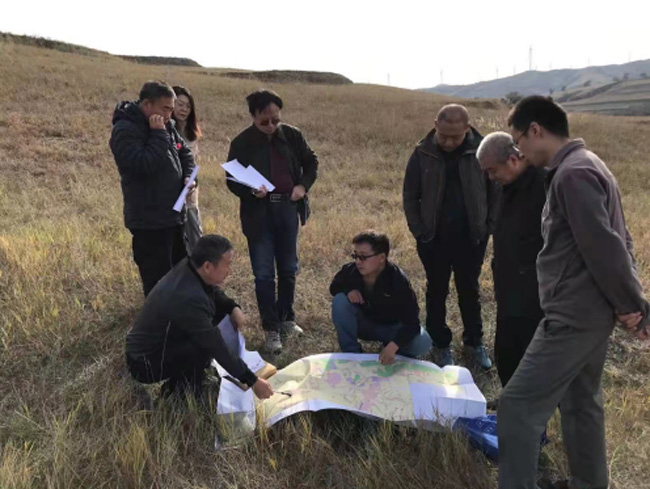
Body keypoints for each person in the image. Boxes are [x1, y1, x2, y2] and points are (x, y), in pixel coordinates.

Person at [498, 96, 650, 489]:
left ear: (536, 130)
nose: (520, 151)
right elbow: (622, 239)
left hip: (573, 315)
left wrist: (632, 305)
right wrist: (629, 302)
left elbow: (605, 247)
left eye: (519, 140)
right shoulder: (589, 163)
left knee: (516, 407)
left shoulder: (572, 175)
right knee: (581, 402)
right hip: (591, 312)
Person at [403, 104, 498, 369]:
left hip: (472, 237)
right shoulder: (422, 152)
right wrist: (419, 230)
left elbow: (496, 191)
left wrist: (488, 227)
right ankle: (440, 344)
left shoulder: (482, 151)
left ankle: (474, 343)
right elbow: (410, 195)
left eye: (455, 137)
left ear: (467, 128)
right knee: (436, 291)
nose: (447, 142)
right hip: (433, 238)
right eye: (443, 135)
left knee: (469, 290)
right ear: (435, 124)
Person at [125, 234, 274, 400]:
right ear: (208, 266)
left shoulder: (191, 268)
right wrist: (252, 381)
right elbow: (214, 344)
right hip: (145, 362)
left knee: (216, 318)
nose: (230, 271)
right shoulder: (188, 298)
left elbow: (211, 289)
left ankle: (189, 378)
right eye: (227, 264)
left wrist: (231, 307)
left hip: (158, 345)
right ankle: (179, 393)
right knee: (203, 347)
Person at [226, 89, 318, 353]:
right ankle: (271, 328)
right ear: (252, 116)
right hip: (258, 214)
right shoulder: (241, 142)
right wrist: (250, 192)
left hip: (287, 209)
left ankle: (287, 319)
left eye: (276, 119)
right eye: (264, 121)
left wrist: (302, 186)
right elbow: (231, 179)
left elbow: (311, 162)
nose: (271, 125)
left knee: (288, 268)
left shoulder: (292, 135)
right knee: (264, 273)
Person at [110, 80, 195, 296]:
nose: (169, 115)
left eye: (171, 109)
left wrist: (188, 176)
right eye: (165, 109)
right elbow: (142, 165)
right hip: (149, 220)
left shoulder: (167, 126)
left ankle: (179, 314)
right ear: (147, 104)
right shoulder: (125, 130)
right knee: (158, 282)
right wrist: (158, 134)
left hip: (174, 215)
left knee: (181, 274)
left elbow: (185, 153)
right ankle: (159, 317)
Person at [477, 132, 546, 388]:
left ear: (513, 160)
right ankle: (510, 400)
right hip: (509, 290)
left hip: (536, 295)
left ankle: (532, 408)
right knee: (507, 355)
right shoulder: (508, 185)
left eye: (492, 171)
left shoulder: (546, 186)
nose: (490, 178)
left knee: (536, 360)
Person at [330, 231, 432, 364]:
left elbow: (412, 323)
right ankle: (352, 354)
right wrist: (348, 290)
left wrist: (394, 345)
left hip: (391, 329)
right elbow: (334, 287)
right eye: (355, 256)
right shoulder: (350, 270)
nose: (358, 261)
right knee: (340, 301)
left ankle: (397, 353)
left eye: (363, 257)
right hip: (364, 325)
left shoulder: (397, 280)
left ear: (382, 257)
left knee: (423, 342)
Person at [172, 85, 203, 254]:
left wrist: (191, 181)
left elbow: (192, 163)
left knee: (195, 235)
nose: (184, 109)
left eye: (188, 106)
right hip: (170, 192)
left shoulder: (191, 132)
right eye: (180, 104)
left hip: (189, 191)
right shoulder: (165, 129)